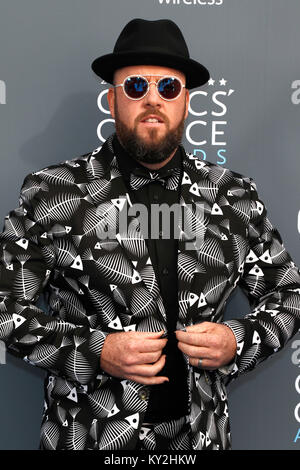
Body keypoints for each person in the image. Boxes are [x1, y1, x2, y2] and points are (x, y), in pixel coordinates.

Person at [0, 18, 299, 451]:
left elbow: (288, 295)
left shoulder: (233, 195)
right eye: (137, 87)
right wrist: (95, 351)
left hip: (200, 441)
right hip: (89, 438)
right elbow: (5, 304)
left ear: (187, 102)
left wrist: (238, 340)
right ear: (112, 98)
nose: (153, 100)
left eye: (168, 88)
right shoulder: (54, 191)